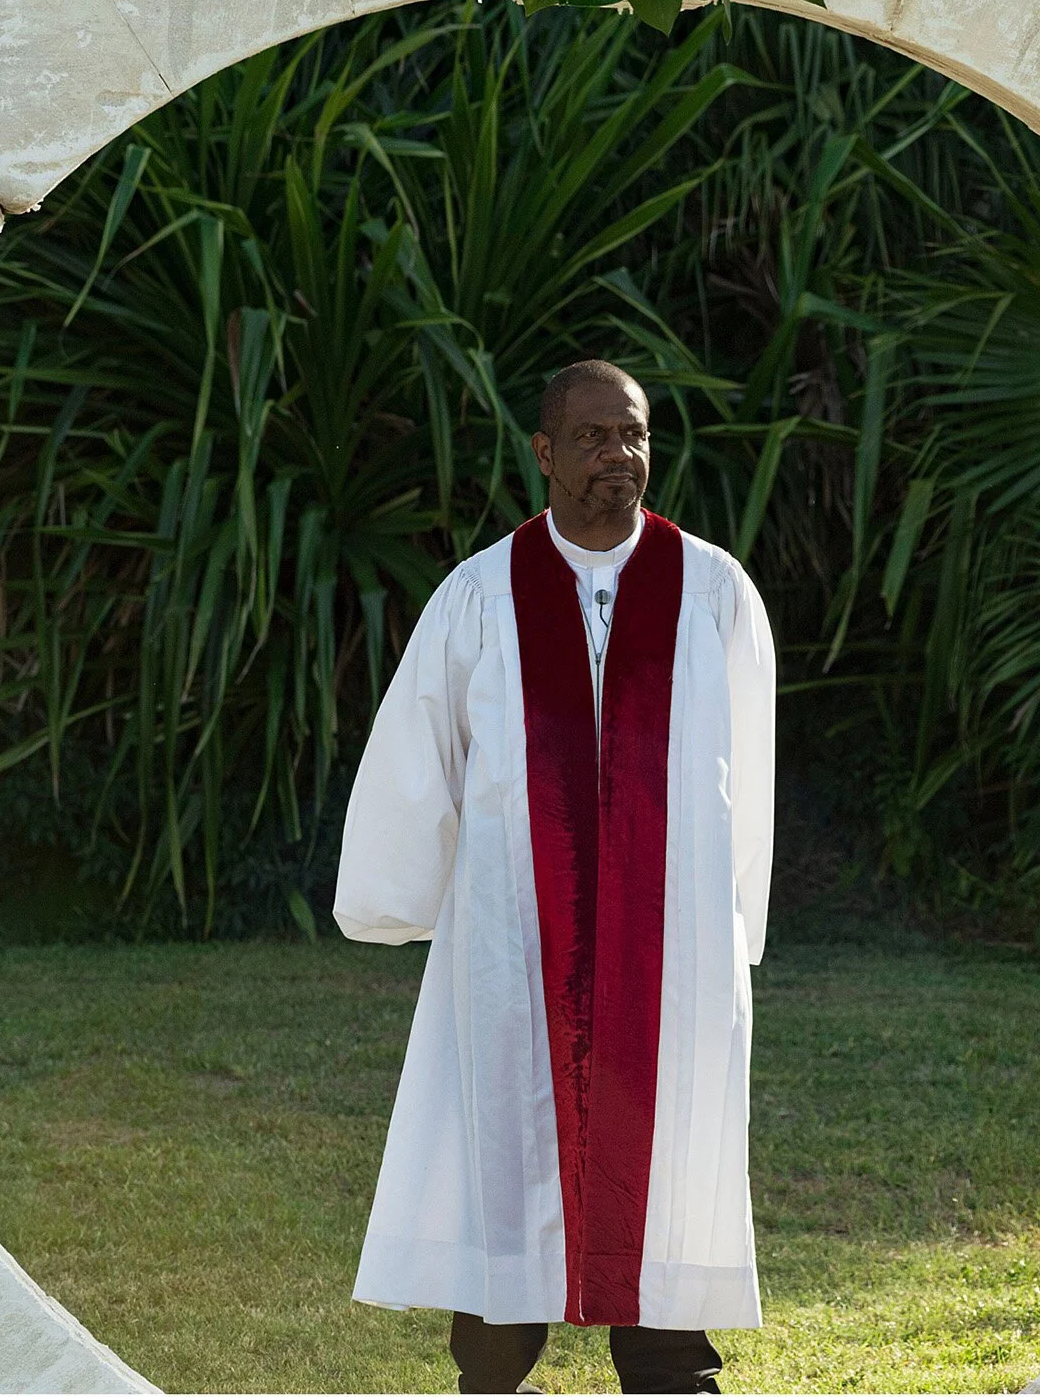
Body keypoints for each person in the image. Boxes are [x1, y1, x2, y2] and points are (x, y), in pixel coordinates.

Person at [334, 360, 777, 1395]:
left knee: (665, 1158)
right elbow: (421, 754)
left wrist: (732, 922)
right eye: (589, 437)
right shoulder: (482, 593)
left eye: (631, 436)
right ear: (541, 450)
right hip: (511, 937)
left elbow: (744, 770)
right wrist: (402, 897)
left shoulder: (710, 588)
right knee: (507, 1147)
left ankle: (672, 1371)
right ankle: (492, 1375)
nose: (614, 457)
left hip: (671, 942)